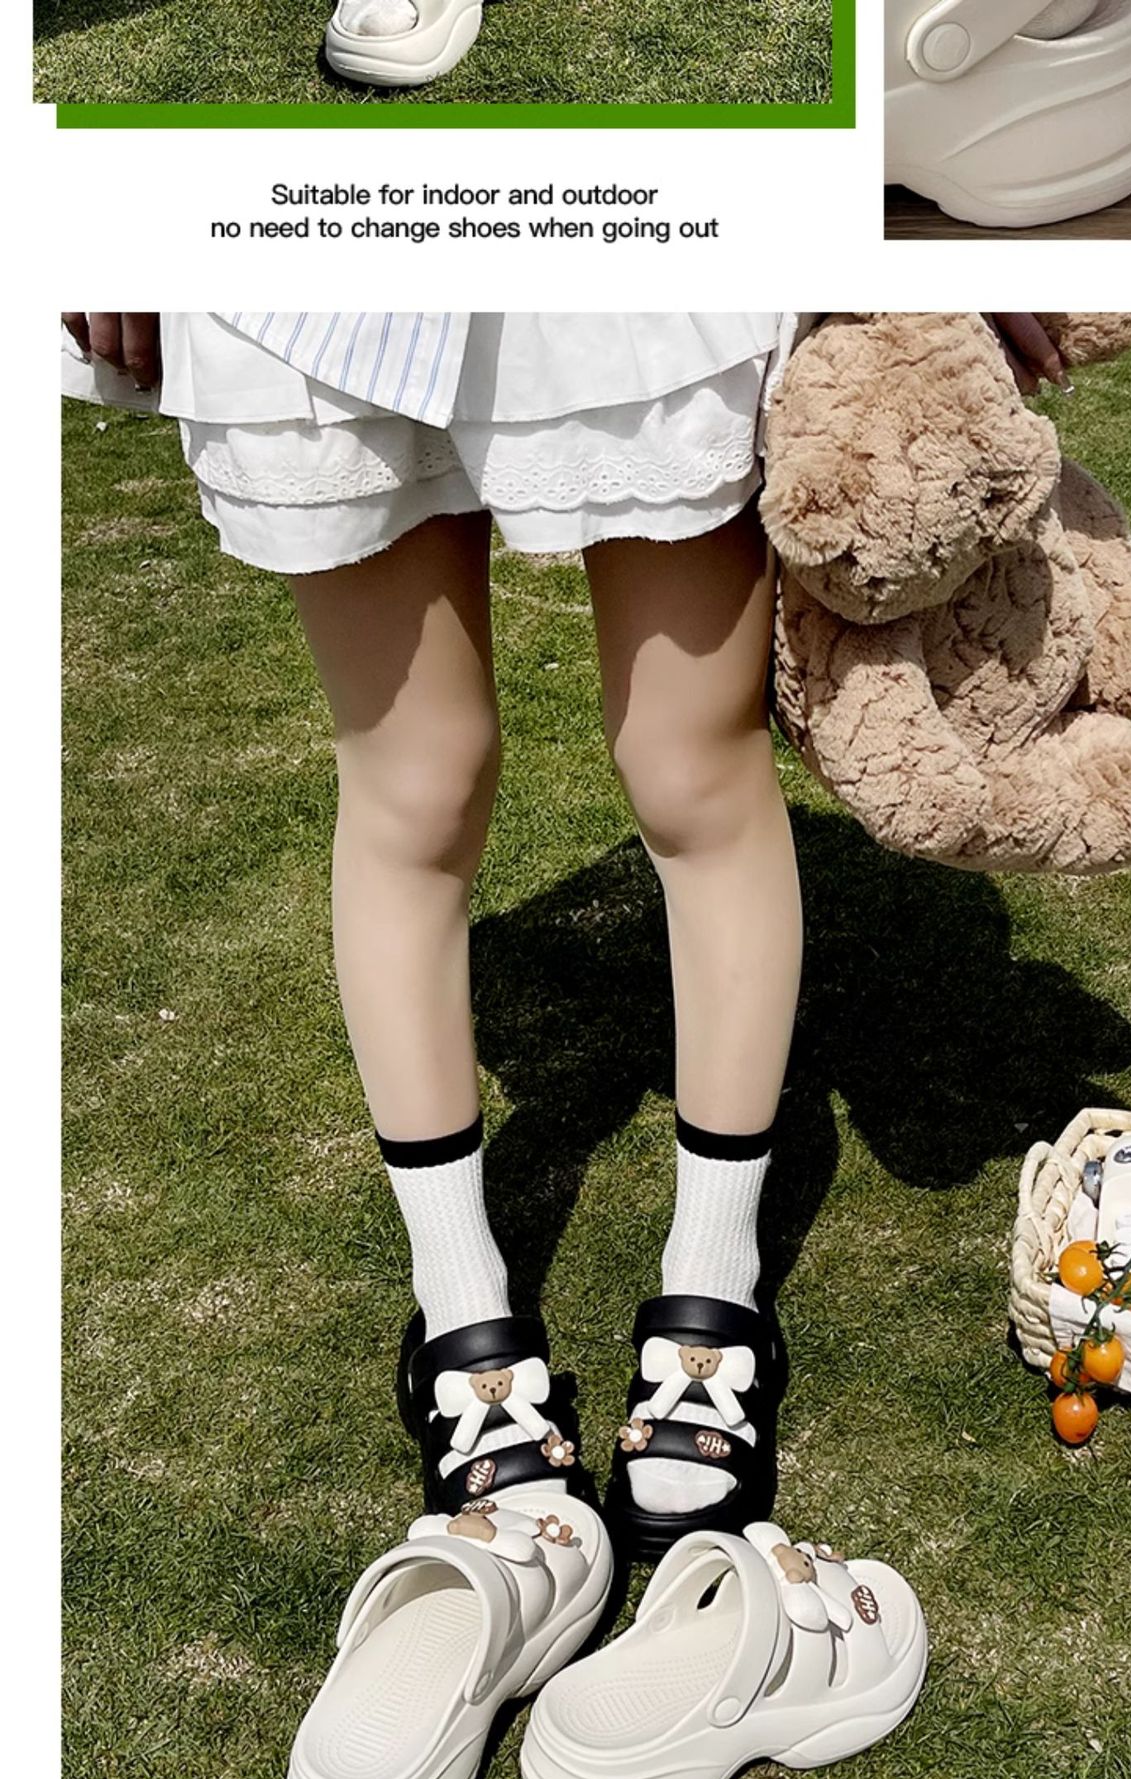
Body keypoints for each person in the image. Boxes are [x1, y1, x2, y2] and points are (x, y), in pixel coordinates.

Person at [61, 310, 1070, 1560]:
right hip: (318, 263)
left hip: (629, 257)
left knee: (691, 768)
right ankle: (456, 1308)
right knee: (417, 784)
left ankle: (716, 1285)